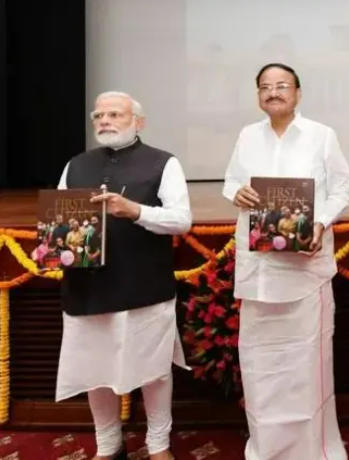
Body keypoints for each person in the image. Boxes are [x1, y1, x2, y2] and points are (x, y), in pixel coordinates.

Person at [223, 62, 349, 460]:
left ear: (297, 92)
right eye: (265, 86)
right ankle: (266, 449)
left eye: (282, 86)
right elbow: (231, 181)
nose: (273, 92)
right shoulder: (247, 135)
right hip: (260, 273)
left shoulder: (321, 136)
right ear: (258, 94)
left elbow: (342, 187)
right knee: (261, 366)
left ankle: (314, 451)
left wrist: (321, 221)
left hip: (303, 272)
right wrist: (237, 193)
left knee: (305, 366)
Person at [55, 91, 191, 460]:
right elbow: (61, 222)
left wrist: (134, 210)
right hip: (87, 287)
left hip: (144, 286)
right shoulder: (76, 165)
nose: (104, 121)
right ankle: (108, 445)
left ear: (138, 122)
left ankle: (159, 444)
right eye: (98, 115)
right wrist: (53, 246)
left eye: (114, 114)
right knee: (94, 370)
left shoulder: (164, 163)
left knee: (155, 371)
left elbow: (182, 221)